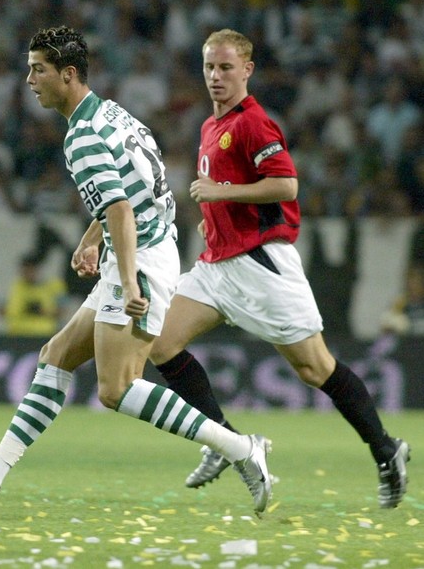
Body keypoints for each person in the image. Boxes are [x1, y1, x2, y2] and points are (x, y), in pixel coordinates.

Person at [0, 26, 273, 515]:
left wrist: (129, 278)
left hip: (142, 261)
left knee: (117, 389)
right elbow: (137, 190)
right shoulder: (112, 114)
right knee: (56, 355)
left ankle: (242, 448)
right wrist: (94, 241)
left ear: (67, 75)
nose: (29, 80)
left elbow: (121, 211)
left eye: (38, 70)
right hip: (151, 248)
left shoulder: (82, 137)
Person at [148, 28, 410, 509]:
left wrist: (222, 196)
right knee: (162, 343)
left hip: (262, 264)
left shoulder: (255, 123)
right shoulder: (210, 125)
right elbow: (227, 192)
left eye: (226, 67)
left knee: (315, 368)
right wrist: (215, 222)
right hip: (217, 265)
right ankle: (225, 442)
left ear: (247, 70)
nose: (216, 76)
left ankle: (386, 449)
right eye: (209, 67)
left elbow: (286, 186)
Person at [4, 253, 68, 337]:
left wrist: (41, 311)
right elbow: (4, 309)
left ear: (38, 269)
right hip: (17, 335)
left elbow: (62, 311)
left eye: (31, 270)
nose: (28, 273)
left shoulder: (53, 286)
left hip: (44, 335)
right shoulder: (16, 287)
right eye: (25, 270)